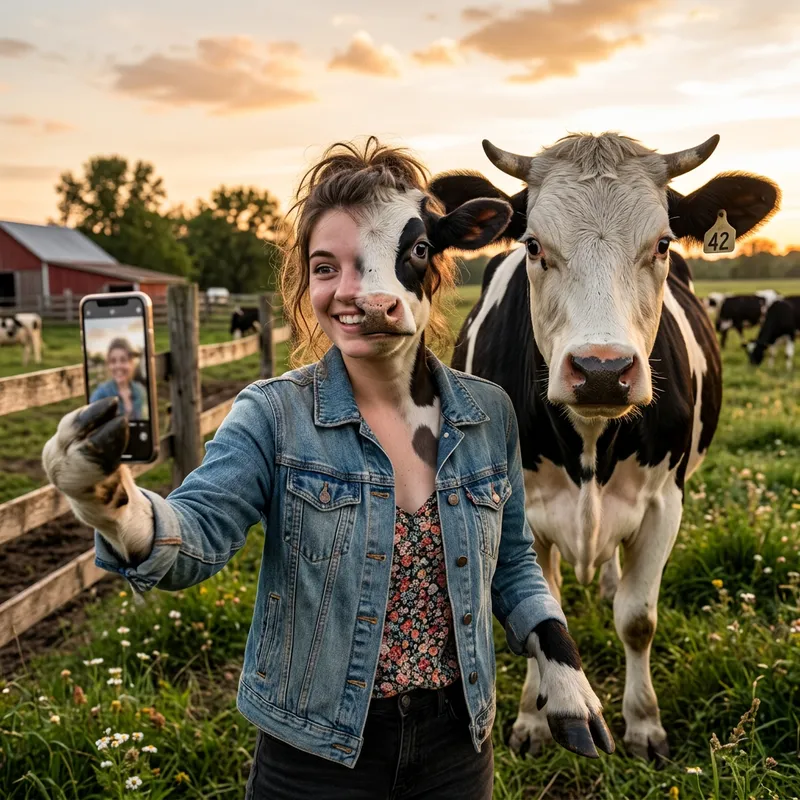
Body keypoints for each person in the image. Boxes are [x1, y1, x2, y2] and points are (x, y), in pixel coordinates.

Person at [42, 138, 613, 799]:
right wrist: (109, 502)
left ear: (429, 267)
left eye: (383, 259)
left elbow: (512, 563)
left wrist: (559, 662)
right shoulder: (273, 416)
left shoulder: (489, 413)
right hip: (313, 754)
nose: (354, 290)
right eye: (325, 267)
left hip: (457, 744)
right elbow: (193, 536)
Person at [89, 337, 148, 421]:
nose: (118, 366)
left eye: (123, 360)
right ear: (108, 365)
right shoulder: (99, 396)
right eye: (113, 361)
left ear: (131, 363)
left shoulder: (141, 391)